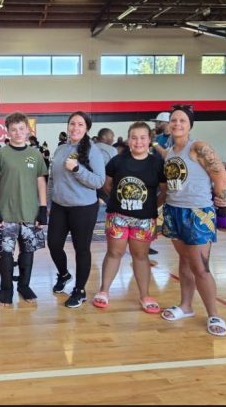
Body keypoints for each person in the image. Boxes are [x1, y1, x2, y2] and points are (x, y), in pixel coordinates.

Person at [160, 104, 226, 337]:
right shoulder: (170, 152)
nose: (177, 124)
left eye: (182, 120)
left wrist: (223, 205)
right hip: (174, 211)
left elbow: (219, 174)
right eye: (173, 120)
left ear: (190, 125)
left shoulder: (198, 147)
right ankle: (186, 306)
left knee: (201, 267)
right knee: (184, 262)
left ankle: (214, 314)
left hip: (197, 212)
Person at [93, 121, 167, 312]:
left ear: (150, 140)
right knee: (114, 253)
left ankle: (145, 295)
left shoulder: (157, 163)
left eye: (143, 138)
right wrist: (119, 202)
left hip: (144, 220)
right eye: (134, 137)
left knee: (140, 256)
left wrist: (150, 206)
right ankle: (104, 291)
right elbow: (107, 185)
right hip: (118, 217)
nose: (138, 142)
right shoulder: (117, 161)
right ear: (128, 140)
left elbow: (164, 191)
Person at [47, 111, 105, 308]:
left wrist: (77, 169)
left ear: (87, 128)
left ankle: (79, 290)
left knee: (81, 249)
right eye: (72, 123)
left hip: (83, 208)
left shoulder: (92, 151)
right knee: (54, 244)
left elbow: (99, 182)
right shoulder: (60, 149)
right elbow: (52, 178)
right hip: (59, 207)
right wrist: (48, 203)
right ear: (67, 126)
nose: (75, 128)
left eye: (80, 124)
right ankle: (64, 274)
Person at [0, 112, 48, 305]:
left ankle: (24, 286)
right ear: (7, 132)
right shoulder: (0, 154)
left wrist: (43, 208)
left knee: (28, 252)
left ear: (27, 130)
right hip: (7, 213)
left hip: (30, 212)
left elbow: (41, 181)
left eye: (21, 129)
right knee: (6, 254)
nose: (17, 133)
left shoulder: (35, 154)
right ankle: (6, 288)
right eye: (13, 129)